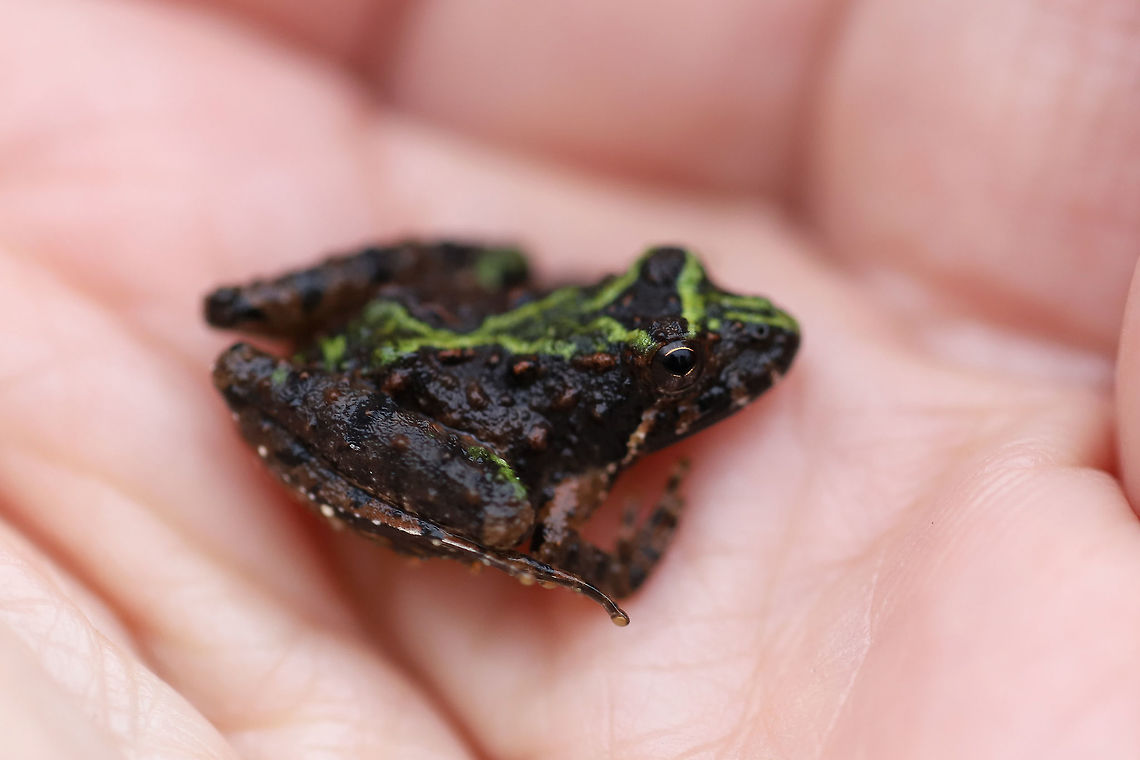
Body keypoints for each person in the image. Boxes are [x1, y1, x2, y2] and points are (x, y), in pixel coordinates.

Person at [2, 2, 1138, 757]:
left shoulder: (629, 352)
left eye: (697, 322)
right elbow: (560, 522)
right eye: (692, 360)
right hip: (406, 395)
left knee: (494, 284)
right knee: (506, 510)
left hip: (408, 325)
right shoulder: (586, 441)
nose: (752, 340)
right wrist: (592, 558)